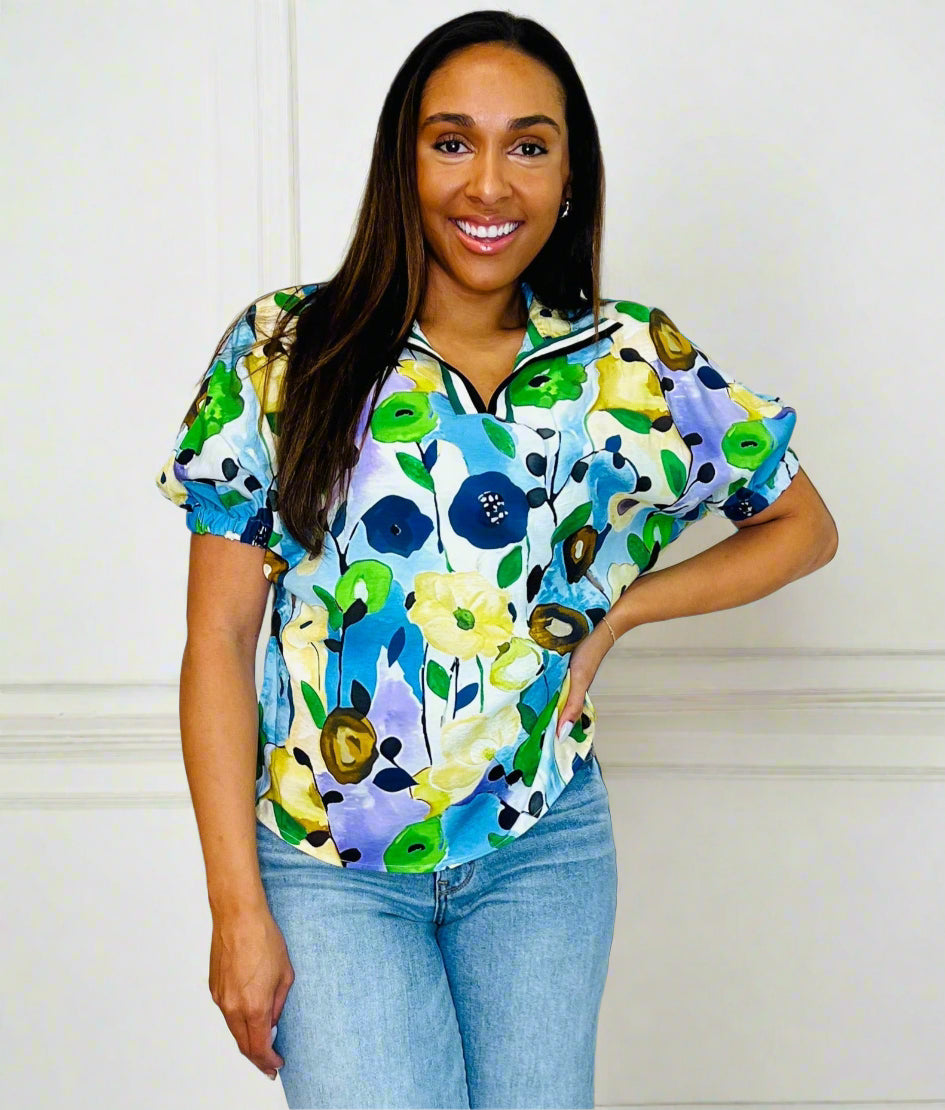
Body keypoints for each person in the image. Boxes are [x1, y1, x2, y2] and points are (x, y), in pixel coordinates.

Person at [154, 10, 838, 1109]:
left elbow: (803, 524)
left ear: (569, 174)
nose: (488, 185)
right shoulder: (286, 349)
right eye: (450, 142)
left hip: (542, 854)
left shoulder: (627, 361)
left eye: (527, 145)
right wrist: (235, 907)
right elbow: (220, 637)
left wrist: (620, 612)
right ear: (403, 161)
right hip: (329, 873)